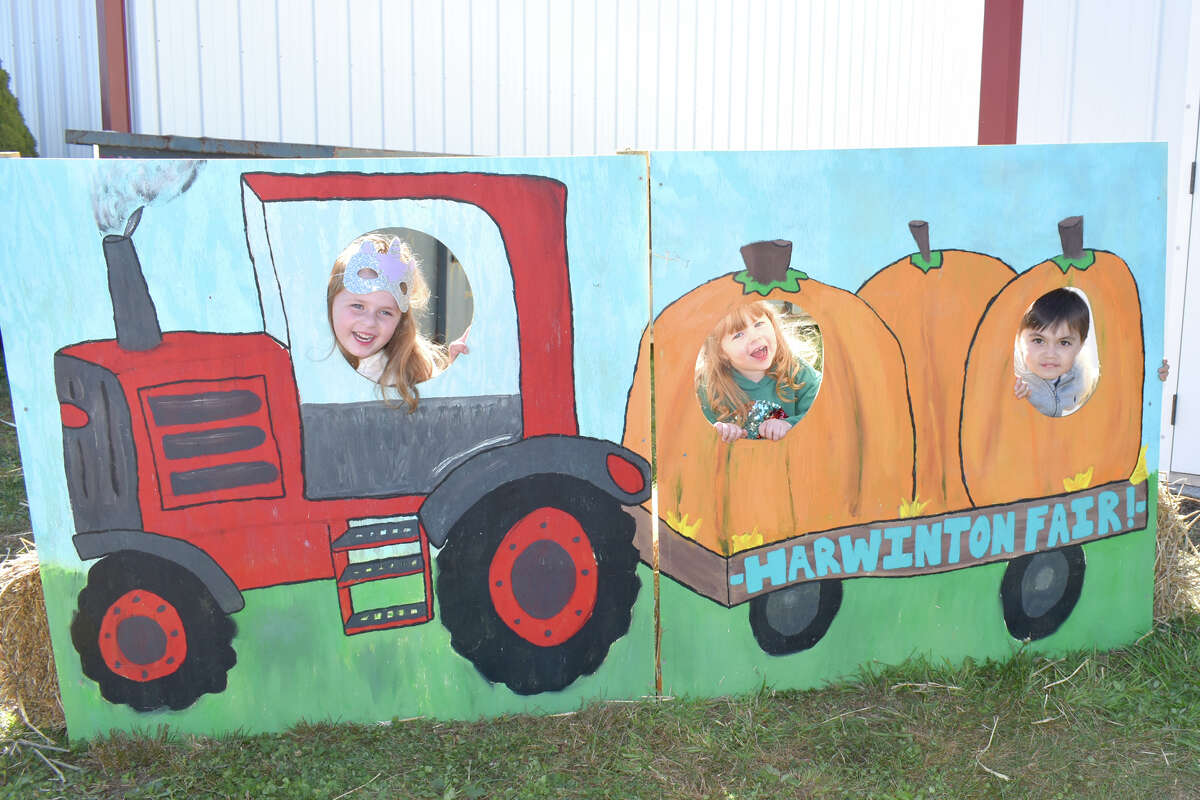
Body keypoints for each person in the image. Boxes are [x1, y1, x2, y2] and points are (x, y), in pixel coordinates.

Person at [327, 233, 467, 411]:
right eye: (358, 306)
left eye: (385, 312)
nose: (370, 322)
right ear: (331, 302)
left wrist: (453, 380)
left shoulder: (404, 374)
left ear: (400, 320)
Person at [695, 300, 821, 442]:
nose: (755, 337)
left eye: (759, 324)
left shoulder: (798, 372)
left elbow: (822, 414)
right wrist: (722, 430)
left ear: (773, 325)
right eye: (738, 335)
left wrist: (789, 424)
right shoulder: (709, 387)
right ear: (720, 352)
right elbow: (697, 434)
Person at [1012, 287, 1095, 417]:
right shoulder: (1014, 379)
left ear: (1080, 346)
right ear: (1018, 338)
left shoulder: (1083, 379)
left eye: (1064, 343)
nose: (1050, 354)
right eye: (1038, 341)